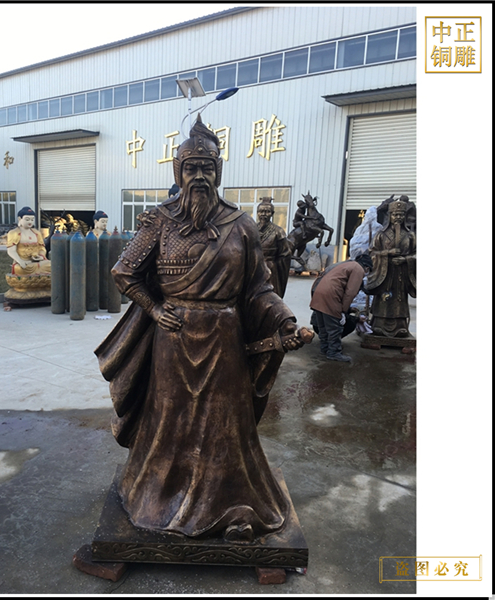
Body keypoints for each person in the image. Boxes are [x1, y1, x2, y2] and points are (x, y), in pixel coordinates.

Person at [95, 114, 309, 543]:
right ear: (178, 172)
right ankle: (159, 497)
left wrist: (285, 319)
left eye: (206, 168)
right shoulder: (159, 222)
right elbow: (124, 272)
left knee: (224, 427)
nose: (198, 177)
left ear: (218, 172)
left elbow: (259, 288)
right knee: (170, 423)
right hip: (172, 339)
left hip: (225, 340)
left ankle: (234, 506)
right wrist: (155, 309)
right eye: (190, 168)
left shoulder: (242, 226)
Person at [365, 196, 416, 337]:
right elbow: (372, 253)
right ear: (390, 216)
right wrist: (387, 253)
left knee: (399, 299)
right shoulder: (381, 235)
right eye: (395, 214)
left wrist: (405, 259)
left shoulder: (410, 236)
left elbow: (416, 254)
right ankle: (379, 325)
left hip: (401, 275)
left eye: (401, 215)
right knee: (383, 298)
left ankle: (400, 326)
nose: (398, 217)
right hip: (385, 274)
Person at [309, 254, 373, 361]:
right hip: (331, 294)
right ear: (367, 268)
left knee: (323, 327)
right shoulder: (358, 269)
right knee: (335, 328)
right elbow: (350, 292)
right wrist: (343, 310)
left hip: (318, 292)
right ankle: (334, 352)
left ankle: (324, 349)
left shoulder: (345, 264)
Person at [256, 196, 292, 298]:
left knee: (270, 295)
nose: (263, 214)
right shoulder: (252, 228)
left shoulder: (278, 231)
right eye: (261, 211)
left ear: (272, 214)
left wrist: (277, 266)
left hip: (270, 268)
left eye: (267, 212)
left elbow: (285, 253)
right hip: (254, 268)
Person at [6, 206, 51, 275]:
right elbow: (11, 251)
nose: (30, 222)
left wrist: (40, 256)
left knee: (51, 265)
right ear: (19, 219)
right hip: (23, 262)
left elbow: (42, 248)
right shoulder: (14, 233)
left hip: (37, 262)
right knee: (21, 268)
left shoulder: (37, 233)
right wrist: (20, 261)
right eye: (27, 219)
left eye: (32, 220)